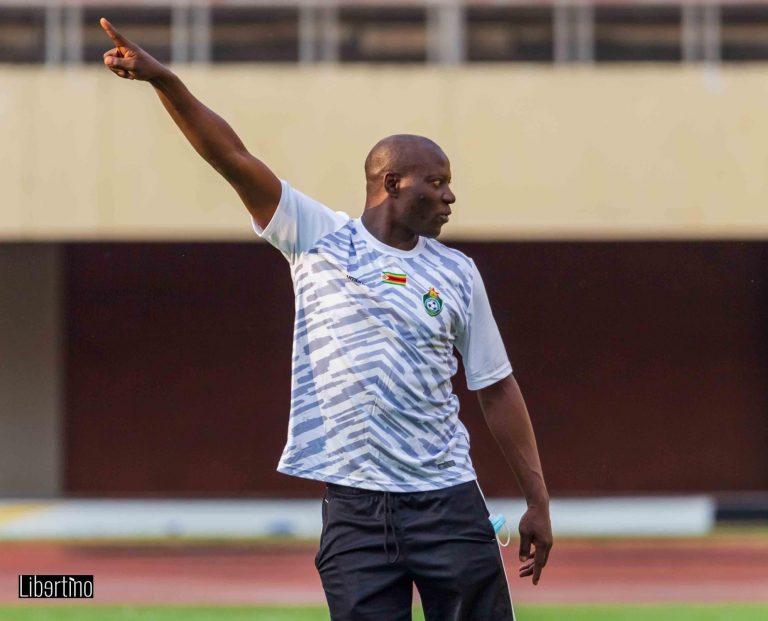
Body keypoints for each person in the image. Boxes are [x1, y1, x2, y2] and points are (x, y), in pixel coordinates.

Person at [99, 17, 553, 620]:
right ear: (392, 183)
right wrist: (166, 81)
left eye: (450, 184)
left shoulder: (458, 273)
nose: (450, 196)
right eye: (437, 182)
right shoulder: (317, 237)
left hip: (448, 500)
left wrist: (537, 500)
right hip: (355, 510)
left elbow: (496, 388)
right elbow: (231, 156)